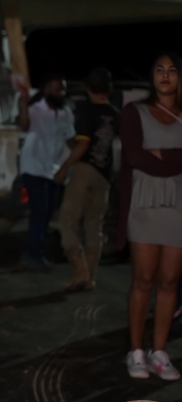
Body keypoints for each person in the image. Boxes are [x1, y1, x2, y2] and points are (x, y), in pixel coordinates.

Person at [119, 52, 182, 381]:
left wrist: (159, 155)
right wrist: (175, 159)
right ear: (152, 76)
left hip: (178, 207)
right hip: (143, 206)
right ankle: (136, 351)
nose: (165, 75)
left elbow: (149, 157)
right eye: (159, 69)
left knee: (170, 281)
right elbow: (134, 156)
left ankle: (159, 351)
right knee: (143, 279)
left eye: (172, 70)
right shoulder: (135, 111)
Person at [56, 68, 120, 290]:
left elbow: (84, 144)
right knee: (94, 225)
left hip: (85, 171)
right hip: (105, 175)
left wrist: (64, 168)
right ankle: (90, 277)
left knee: (67, 221)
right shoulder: (115, 113)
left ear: (88, 87)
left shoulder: (86, 110)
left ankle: (80, 272)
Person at [17, 74, 76, 270]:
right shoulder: (36, 110)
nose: (61, 93)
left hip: (54, 169)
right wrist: (24, 102)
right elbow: (24, 125)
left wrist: (82, 151)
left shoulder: (66, 112)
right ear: (46, 90)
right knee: (40, 210)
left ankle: (33, 252)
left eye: (63, 89)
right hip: (33, 167)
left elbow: (70, 138)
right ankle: (34, 254)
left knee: (48, 212)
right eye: (57, 89)